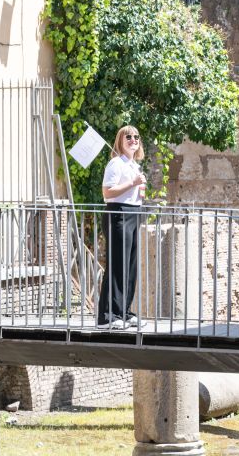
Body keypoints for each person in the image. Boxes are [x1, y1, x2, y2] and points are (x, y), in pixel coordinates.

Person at [98, 126, 146, 329]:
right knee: (117, 266)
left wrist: (139, 188)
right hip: (119, 213)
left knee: (130, 266)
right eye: (129, 137)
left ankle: (123, 311)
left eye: (136, 137)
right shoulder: (115, 163)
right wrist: (133, 183)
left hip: (134, 214)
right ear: (120, 140)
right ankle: (107, 316)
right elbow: (107, 193)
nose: (133, 140)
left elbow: (134, 192)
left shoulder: (134, 165)